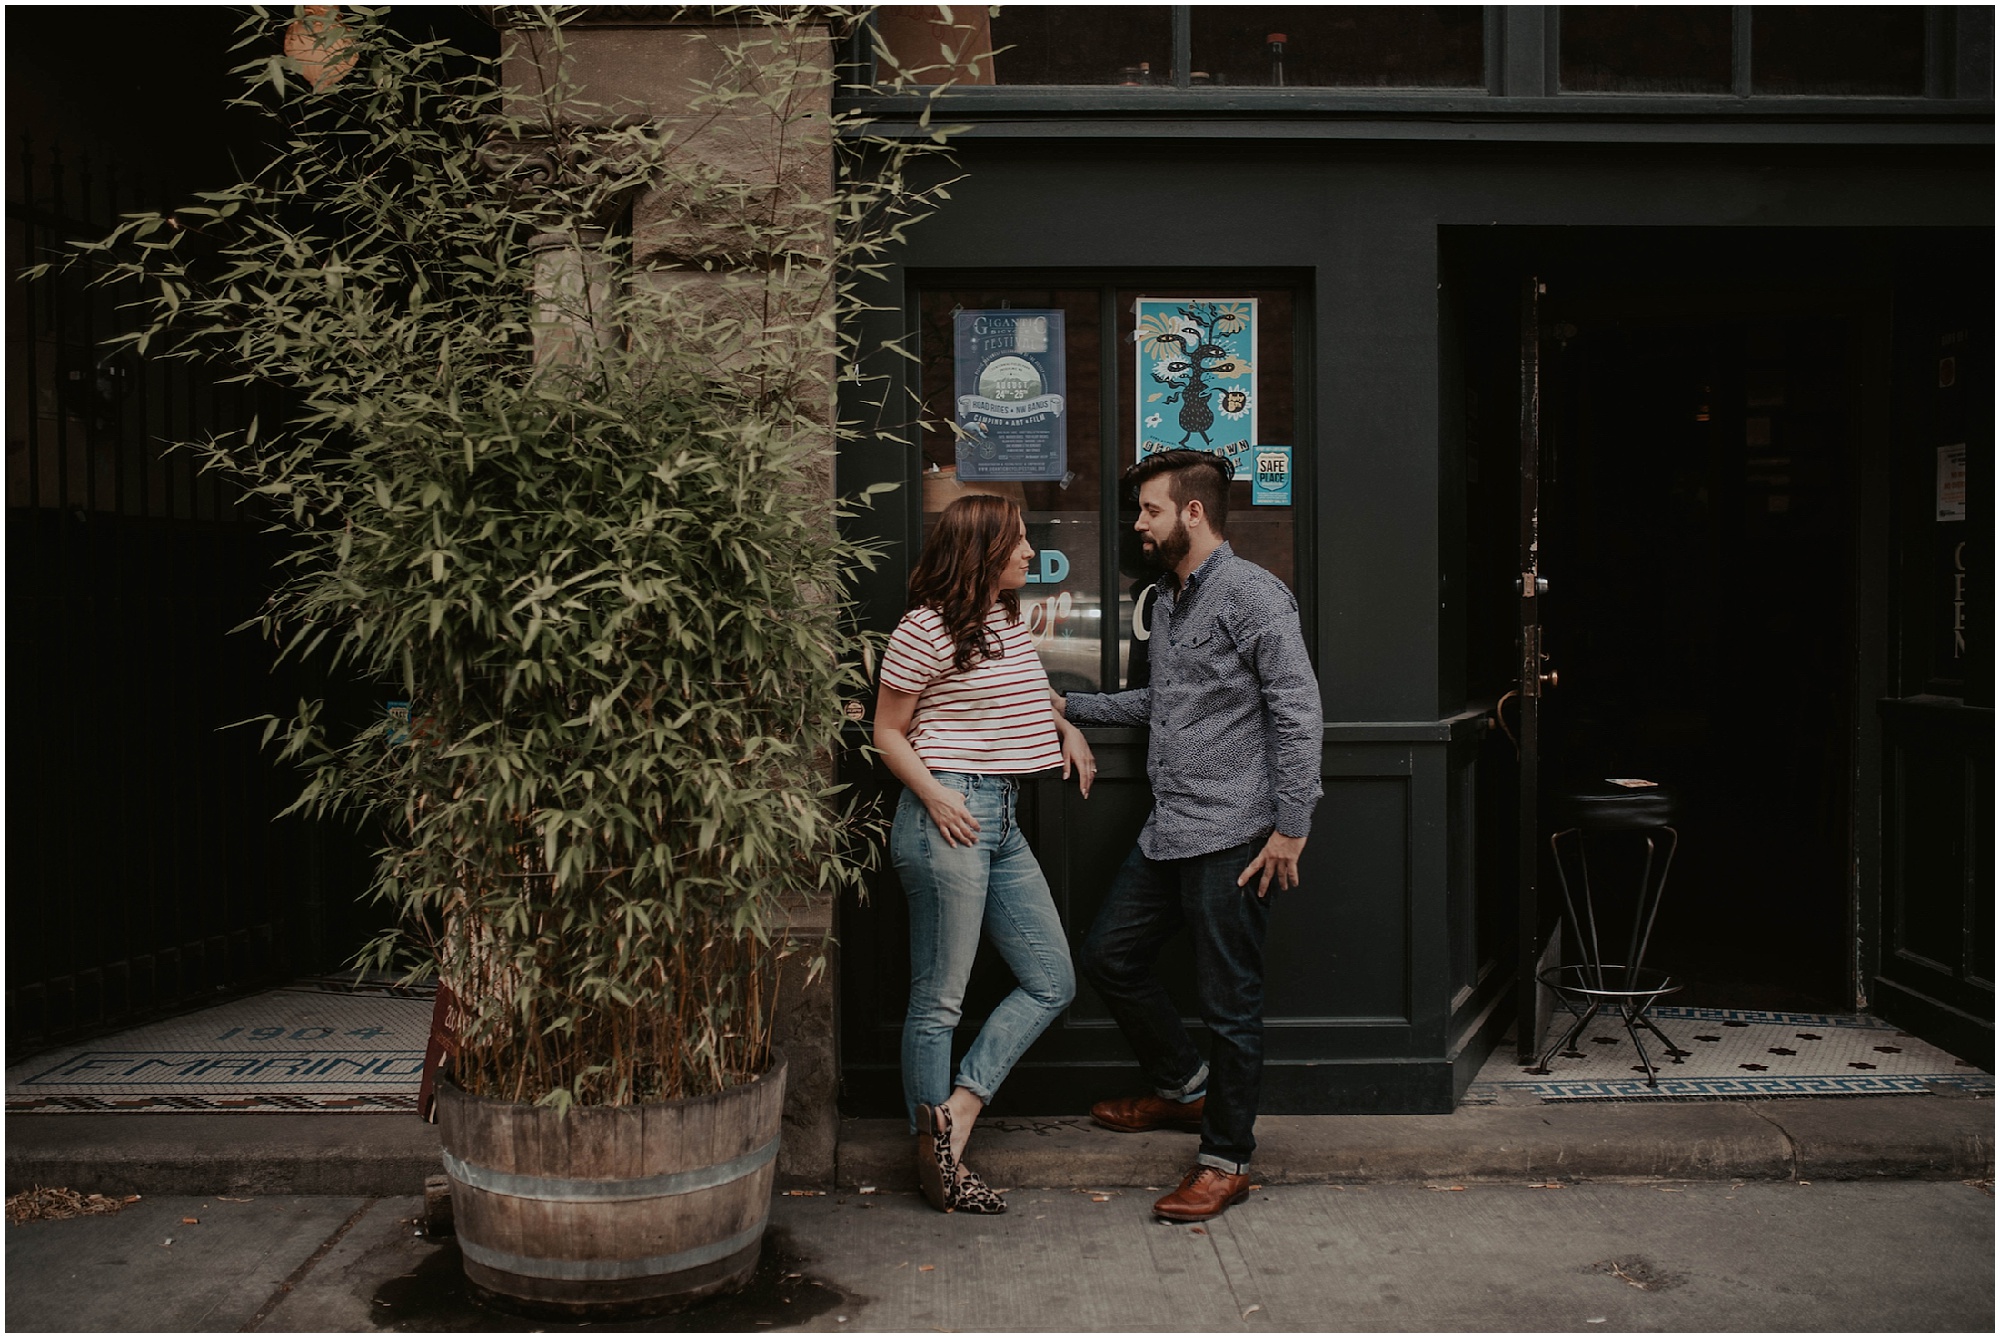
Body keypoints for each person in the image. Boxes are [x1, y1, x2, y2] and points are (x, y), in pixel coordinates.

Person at [1055, 449, 1323, 1224]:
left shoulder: (1253, 595)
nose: (1139, 524)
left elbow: (1298, 710)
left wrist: (1291, 828)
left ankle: (1225, 1161)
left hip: (1236, 833)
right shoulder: (1170, 598)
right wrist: (1069, 706)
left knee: (1231, 1007)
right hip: (1170, 827)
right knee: (1109, 955)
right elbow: (1163, 702)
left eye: (1150, 510)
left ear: (1193, 513)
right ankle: (1182, 1086)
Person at [875, 493, 1096, 1215]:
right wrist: (937, 797)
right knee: (939, 1000)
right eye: (1019, 541)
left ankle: (956, 1114)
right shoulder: (924, 628)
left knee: (1052, 980)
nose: (1030, 552)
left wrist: (1067, 727)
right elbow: (887, 732)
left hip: (1000, 816)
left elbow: (1027, 698)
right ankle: (937, 1159)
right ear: (982, 550)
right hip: (949, 812)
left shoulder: (1002, 619)